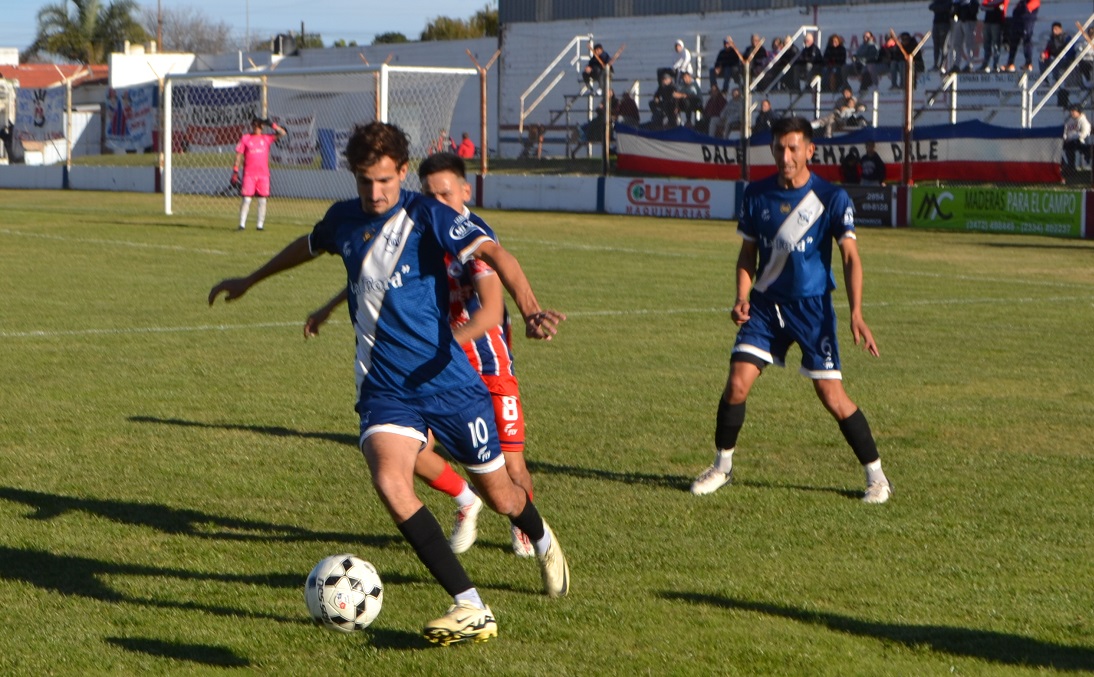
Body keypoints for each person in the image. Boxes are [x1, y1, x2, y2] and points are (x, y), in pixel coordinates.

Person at [208, 121, 571, 646]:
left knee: (501, 493)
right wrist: (249, 280)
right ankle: (471, 606)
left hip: (447, 379)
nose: (375, 193)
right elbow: (306, 246)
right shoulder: (344, 220)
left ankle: (541, 537)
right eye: (364, 182)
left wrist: (531, 309)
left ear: (402, 172)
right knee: (390, 480)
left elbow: (496, 254)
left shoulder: (427, 215)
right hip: (385, 386)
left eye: (384, 181)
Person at [305, 152, 538, 558]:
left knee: (512, 469)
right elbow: (375, 276)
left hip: (486, 366)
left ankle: (528, 532)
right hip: (437, 370)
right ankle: (466, 498)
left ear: (465, 191)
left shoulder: (473, 236)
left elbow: (492, 310)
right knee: (409, 451)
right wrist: (329, 306)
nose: (435, 200)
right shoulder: (419, 226)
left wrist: (460, 337)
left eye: (444, 193)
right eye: (429, 193)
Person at [690, 116, 892, 505]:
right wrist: (740, 296)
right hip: (765, 308)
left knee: (831, 395)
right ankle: (722, 466)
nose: (786, 156)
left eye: (794, 148)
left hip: (813, 309)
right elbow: (748, 254)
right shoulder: (757, 194)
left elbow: (851, 257)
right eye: (780, 148)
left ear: (810, 150)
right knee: (736, 384)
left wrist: (856, 313)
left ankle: (878, 478)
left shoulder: (831, 198)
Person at [232, 115, 287, 231]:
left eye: (259, 126)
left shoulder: (266, 138)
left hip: (263, 175)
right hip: (249, 174)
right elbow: (239, 155)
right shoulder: (246, 138)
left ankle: (260, 225)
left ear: (262, 127)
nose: (257, 128)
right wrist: (235, 171)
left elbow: (282, 133)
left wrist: (272, 125)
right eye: (255, 126)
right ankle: (242, 224)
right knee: (247, 199)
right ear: (252, 126)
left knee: (262, 200)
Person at [1004, 0, 1039, 72]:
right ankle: (1010, 63)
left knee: (1027, 42)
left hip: (1026, 24)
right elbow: (1015, 11)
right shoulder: (1022, 2)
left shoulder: (1034, 1)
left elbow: (1027, 9)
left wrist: (1020, 8)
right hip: (1017, 24)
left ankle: (1028, 63)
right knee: (1013, 43)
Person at [950, 0, 979, 73]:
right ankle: (956, 64)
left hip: (968, 20)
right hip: (959, 20)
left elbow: (974, 7)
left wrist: (967, 12)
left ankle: (970, 64)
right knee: (956, 44)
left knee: (969, 43)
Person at [1062, 106, 1091, 177]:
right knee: (1057, 147)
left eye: (1073, 111)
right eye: (1071, 111)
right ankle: (1065, 167)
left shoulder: (1083, 121)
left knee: (1070, 147)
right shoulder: (1070, 121)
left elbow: (1084, 134)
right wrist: (1065, 138)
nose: (1072, 113)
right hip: (1069, 141)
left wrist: (1072, 137)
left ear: (1079, 112)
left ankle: (1071, 168)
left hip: (1080, 141)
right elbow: (1065, 131)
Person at [980, 0, 1008, 72]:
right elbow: (982, 6)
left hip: (997, 23)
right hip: (987, 22)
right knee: (986, 44)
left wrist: (989, 5)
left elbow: (999, 3)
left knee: (996, 44)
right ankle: (985, 64)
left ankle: (995, 64)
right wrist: (992, 6)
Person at [929, 0, 956, 71]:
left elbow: (947, 8)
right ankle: (935, 64)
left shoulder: (949, 1)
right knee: (936, 45)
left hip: (944, 23)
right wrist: (939, 8)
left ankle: (942, 65)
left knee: (943, 45)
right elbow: (931, 7)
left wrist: (938, 8)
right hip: (936, 23)